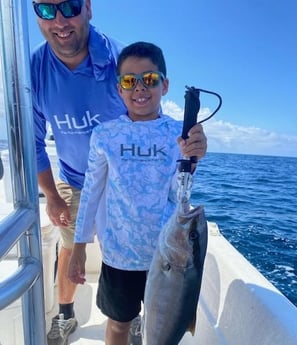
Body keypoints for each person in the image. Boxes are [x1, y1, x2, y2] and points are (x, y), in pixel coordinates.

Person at [68, 41, 207, 345]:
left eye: (150, 79)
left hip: (166, 256)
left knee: (161, 329)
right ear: (119, 88)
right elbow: (91, 190)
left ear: (165, 85)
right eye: (129, 81)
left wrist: (192, 160)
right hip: (119, 254)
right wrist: (79, 246)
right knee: (118, 325)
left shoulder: (178, 134)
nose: (140, 88)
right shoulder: (105, 135)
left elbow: (176, 192)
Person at [30, 1, 127, 344]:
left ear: (88, 7)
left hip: (122, 185)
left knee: (130, 253)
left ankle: (133, 315)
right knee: (69, 248)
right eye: (45, 9)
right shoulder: (34, 69)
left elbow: (149, 122)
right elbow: (34, 142)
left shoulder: (121, 60)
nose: (59, 20)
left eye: (69, 6)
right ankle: (66, 316)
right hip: (71, 179)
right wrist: (52, 196)